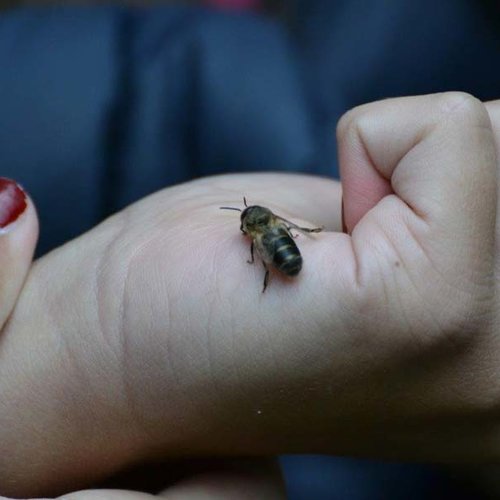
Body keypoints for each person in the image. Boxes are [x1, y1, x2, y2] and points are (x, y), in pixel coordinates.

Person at [1, 92, 500, 498]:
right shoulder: (267, 222)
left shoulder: (258, 233)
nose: (250, 228)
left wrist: (83, 347)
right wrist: (92, 350)